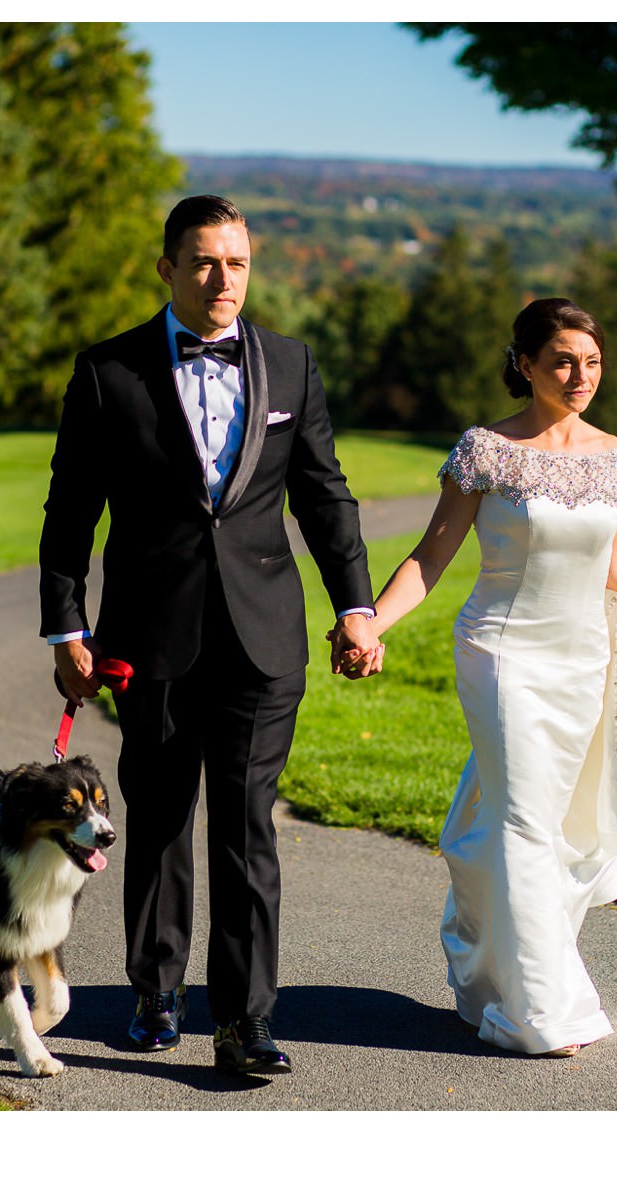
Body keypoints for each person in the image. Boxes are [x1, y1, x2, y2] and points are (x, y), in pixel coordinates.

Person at [345, 297, 617, 1057]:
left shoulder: (615, 457)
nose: (581, 375)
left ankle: (486, 977)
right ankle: (544, 1008)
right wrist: (372, 620)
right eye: (564, 360)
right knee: (524, 822)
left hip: (583, 661)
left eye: (593, 361)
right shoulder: (486, 450)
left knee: (538, 823)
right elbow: (431, 556)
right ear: (526, 364)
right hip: (502, 653)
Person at [39, 195, 379, 1076]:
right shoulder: (108, 371)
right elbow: (71, 509)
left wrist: (355, 604)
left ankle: (244, 1022)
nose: (222, 279)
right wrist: (66, 625)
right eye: (202, 262)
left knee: (246, 827)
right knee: (154, 823)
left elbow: (324, 494)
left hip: (264, 643)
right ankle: (155, 995)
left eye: (236, 262)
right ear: (168, 269)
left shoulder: (291, 366)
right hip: (147, 641)